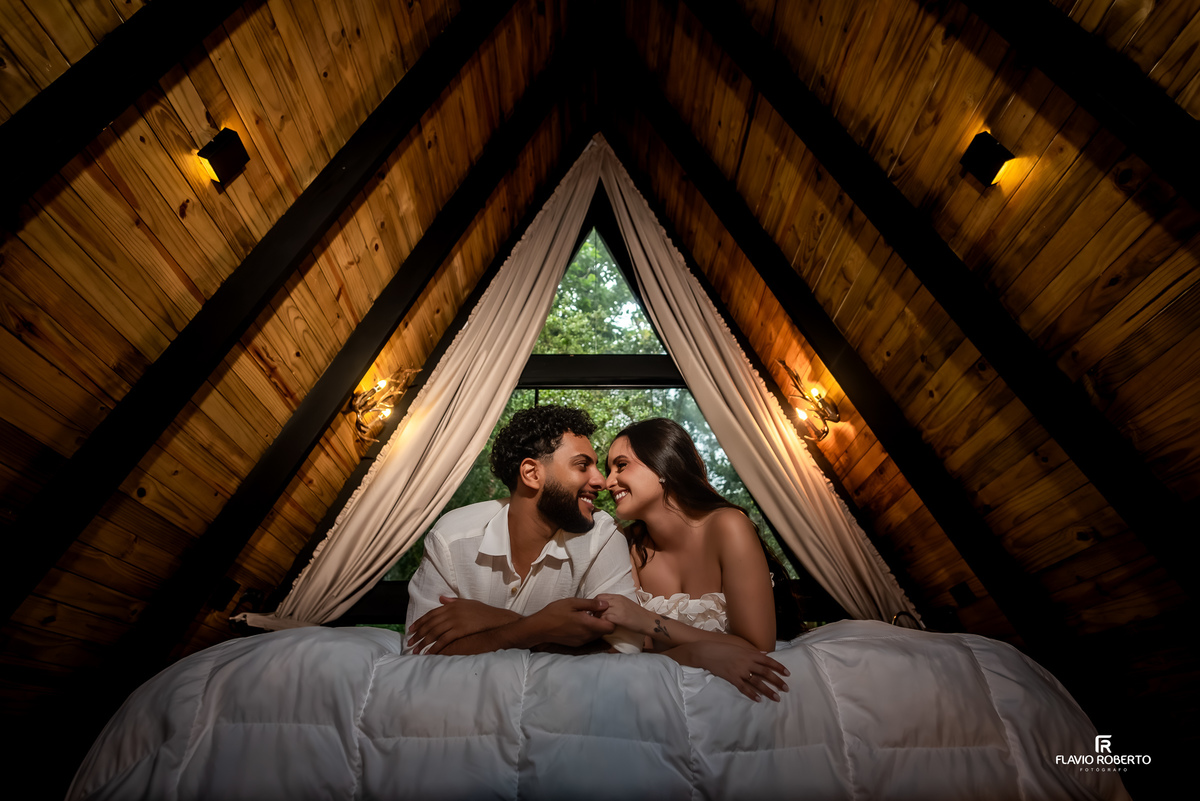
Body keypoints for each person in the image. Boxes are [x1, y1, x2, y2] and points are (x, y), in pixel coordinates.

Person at [404, 405, 638, 655]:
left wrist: (501, 622)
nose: (601, 481)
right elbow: (420, 650)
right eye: (582, 466)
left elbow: (623, 648)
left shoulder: (602, 536)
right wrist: (538, 627)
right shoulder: (451, 538)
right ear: (531, 473)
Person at [598, 418, 791, 702]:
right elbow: (634, 654)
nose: (607, 481)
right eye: (609, 470)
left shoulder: (728, 526)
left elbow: (759, 648)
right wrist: (695, 653)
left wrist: (647, 619)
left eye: (621, 465)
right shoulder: (627, 544)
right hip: (660, 694)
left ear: (662, 465)